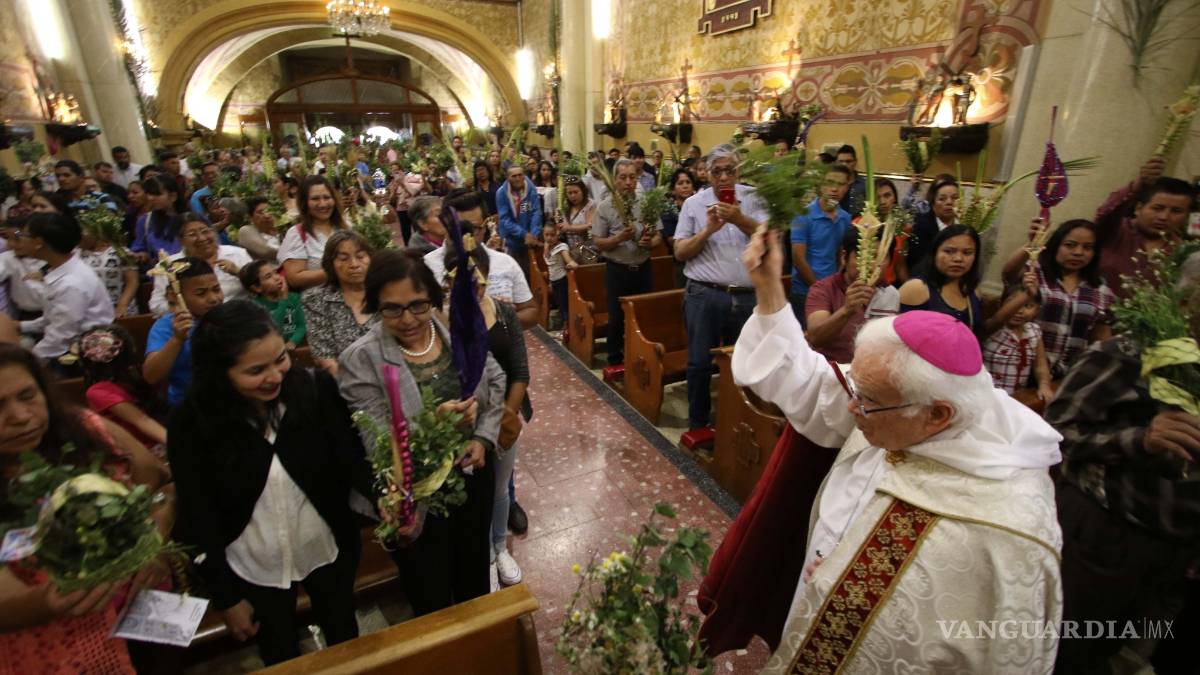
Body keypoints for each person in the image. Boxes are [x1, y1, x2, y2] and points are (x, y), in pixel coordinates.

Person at [725, 225, 1063, 673]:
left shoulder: (1007, 530)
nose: (850, 406)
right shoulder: (896, 401)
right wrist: (769, 286)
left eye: (865, 401)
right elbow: (809, 380)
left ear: (938, 416)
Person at [168, 300, 371, 666]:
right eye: (255, 370)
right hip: (254, 562)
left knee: (344, 639)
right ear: (219, 373)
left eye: (280, 359)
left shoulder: (314, 390)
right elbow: (199, 512)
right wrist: (227, 597)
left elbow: (351, 459)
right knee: (279, 652)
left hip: (324, 547)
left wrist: (388, 499)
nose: (275, 376)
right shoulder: (193, 424)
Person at [1046, 249, 1200, 674]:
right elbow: (1058, 432)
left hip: (1176, 547)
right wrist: (1141, 439)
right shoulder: (1127, 355)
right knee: (1071, 650)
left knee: (1126, 655)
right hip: (1108, 535)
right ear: (1186, 301)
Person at [337, 250, 505, 616]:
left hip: (472, 475)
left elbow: (495, 380)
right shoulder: (361, 358)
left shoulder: (454, 331)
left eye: (418, 305)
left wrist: (482, 438)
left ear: (433, 297)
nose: (408, 318)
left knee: (474, 573)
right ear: (375, 306)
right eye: (392, 308)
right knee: (429, 589)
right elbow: (377, 440)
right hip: (417, 493)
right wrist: (433, 424)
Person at [0, 344, 172, 675]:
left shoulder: (84, 428)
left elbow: (158, 484)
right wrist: (45, 603)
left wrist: (155, 540)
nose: (21, 416)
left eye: (27, 395)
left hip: (141, 609)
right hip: (47, 648)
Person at [444, 243, 530, 588]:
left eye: (477, 279)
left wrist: (503, 419)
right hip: (462, 419)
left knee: (499, 489)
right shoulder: (439, 319)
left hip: (503, 415)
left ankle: (498, 548)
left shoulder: (504, 313)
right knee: (468, 492)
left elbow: (519, 370)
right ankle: (479, 554)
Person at [672, 144, 767, 432]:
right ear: (708, 175)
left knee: (745, 365)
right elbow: (680, 252)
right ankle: (698, 423)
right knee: (700, 363)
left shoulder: (753, 198)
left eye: (730, 170)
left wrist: (740, 220)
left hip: (746, 296)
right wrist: (707, 230)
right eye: (717, 172)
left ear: (738, 172)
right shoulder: (693, 204)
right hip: (705, 294)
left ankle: (736, 422)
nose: (724, 177)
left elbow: (770, 239)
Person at [1002, 218, 1115, 378]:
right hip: (1025, 368)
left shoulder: (1100, 288)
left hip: (1071, 374)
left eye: (1087, 248)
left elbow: (1101, 338)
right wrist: (1032, 243)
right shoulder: (1034, 272)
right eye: (1070, 245)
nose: (1078, 252)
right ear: (1055, 246)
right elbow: (1009, 274)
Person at [428, 190, 539, 329]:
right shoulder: (425, 267)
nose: (464, 236)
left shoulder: (505, 263)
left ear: (484, 227)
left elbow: (531, 313)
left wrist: (497, 317)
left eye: (472, 228)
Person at [17, 212, 113, 367]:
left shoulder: (70, 283)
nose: (19, 238)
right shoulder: (63, 270)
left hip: (83, 357)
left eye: (23, 235)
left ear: (38, 242)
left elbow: (60, 338)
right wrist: (20, 326)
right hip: (70, 345)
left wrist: (26, 365)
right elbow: (54, 318)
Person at [593, 158, 663, 367]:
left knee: (644, 313)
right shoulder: (604, 207)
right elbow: (597, 243)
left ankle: (639, 355)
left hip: (642, 267)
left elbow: (659, 234)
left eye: (632, 177)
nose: (628, 182)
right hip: (617, 269)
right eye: (623, 177)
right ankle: (615, 359)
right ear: (614, 180)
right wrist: (618, 239)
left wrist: (650, 242)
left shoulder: (646, 202)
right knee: (616, 318)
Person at [1094, 156, 1195, 298]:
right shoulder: (1114, 230)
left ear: (1186, 216)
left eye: (1176, 211)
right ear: (1138, 208)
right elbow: (1105, 214)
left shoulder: (1182, 251)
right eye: (1158, 208)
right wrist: (1137, 185)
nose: (1164, 217)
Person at [804, 229, 902, 364]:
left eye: (880, 257)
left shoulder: (891, 294)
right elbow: (815, 339)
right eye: (863, 256)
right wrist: (846, 310)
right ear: (844, 257)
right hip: (832, 373)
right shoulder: (822, 289)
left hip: (872, 373)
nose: (871, 265)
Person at [144, 258, 223, 407]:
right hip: (188, 406)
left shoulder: (230, 316)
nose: (213, 299)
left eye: (216, 289)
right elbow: (151, 376)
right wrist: (177, 339)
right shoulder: (166, 327)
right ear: (175, 296)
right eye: (201, 293)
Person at [80, 324, 167, 451]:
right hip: (138, 451)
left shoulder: (141, 372)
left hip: (158, 439)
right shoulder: (98, 391)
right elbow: (142, 420)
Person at [302, 230, 376, 374]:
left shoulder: (384, 292)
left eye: (360, 256)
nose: (354, 264)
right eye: (343, 259)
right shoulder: (316, 299)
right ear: (331, 264)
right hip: (346, 383)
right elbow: (324, 356)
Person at [149, 215, 251, 316]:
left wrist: (239, 273)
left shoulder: (238, 254)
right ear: (180, 240)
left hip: (239, 316)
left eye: (205, 231)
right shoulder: (168, 265)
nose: (202, 238)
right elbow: (156, 305)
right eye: (192, 234)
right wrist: (184, 306)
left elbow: (260, 286)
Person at [790, 166, 852, 327]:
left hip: (832, 289)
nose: (834, 189)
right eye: (829, 183)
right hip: (804, 291)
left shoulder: (845, 218)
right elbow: (798, 258)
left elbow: (840, 254)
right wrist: (818, 288)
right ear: (820, 185)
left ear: (846, 188)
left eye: (840, 184)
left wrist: (836, 284)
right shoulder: (802, 215)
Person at [899, 224, 985, 336]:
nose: (958, 259)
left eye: (967, 253)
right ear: (935, 252)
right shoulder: (917, 288)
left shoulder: (973, 290)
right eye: (949, 251)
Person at [982, 283, 1054, 403]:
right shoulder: (993, 329)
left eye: (1028, 306)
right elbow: (998, 319)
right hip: (989, 396)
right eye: (1013, 304)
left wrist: (1044, 385)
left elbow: (1040, 365)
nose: (1019, 311)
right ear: (1001, 304)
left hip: (1017, 399)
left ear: (1037, 309)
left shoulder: (1034, 331)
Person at [278, 176, 345, 291]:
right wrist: (339, 270)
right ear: (304, 202)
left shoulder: (345, 228)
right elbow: (294, 278)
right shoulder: (297, 234)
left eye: (327, 197)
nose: (323, 204)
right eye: (315, 199)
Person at [241, 259, 307, 349]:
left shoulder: (294, 297)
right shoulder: (255, 307)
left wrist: (293, 342)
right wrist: (284, 299)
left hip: (297, 346)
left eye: (275, 272)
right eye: (268, 277)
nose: (277, 277)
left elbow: (302, 325)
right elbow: (273, 330)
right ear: (257, 288)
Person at [77, 221, 139, 317]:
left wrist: (122, 305)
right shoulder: (77, 255)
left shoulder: (120, 251)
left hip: (119, 308)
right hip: (91, 311)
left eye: (82, 231)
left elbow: (132, 281)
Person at [496, 165, 543, 279]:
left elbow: (536, 211)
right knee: (514, 275)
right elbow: (505, 219)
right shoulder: (501, 193)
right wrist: (524, 234)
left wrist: (534, 233)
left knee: (531, 274)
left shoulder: (530, 188)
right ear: (508, 178)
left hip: (529, 239)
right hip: (511, 240)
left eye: (520, 175)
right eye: (514, 176)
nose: (517, 178)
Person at [905, 174, 959, 272]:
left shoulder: (963, 225)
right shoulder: (921, 226)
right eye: (942, 199)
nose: (949, 202)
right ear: (933, 201)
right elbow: (917, 264)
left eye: (955, 198)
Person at [131, 175, 185, 262]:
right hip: (161, 271)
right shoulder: (145, 221)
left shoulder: (189, 218)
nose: (150, 198)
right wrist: (140, 255)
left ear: (173, 196)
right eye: (149, 194)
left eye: (157, 194)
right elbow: (140, 248)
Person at [542, 220, 577, 323]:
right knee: (559, 306)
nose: (549, 238)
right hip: (554, 280)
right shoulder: (547, 245)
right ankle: (565, 326)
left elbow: (569, 260)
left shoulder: (561, 248)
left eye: (552, 235)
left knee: (565, 306)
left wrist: (572, 264)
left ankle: (568, 328)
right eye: (546, 235)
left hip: (562, 280)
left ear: (557, 234)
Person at [559, 176, 597, 264]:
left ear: (583, 191)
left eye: (576, 192)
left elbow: (590, 225)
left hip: (588, 249)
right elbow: (562, 227)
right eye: (570, 193)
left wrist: (569, 228)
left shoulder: (591, 205)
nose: (573, 195)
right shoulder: (565, 207)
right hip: (571, 250)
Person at [239, 196, 282, 261]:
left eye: (269, 211)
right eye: (260, 212)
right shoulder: (246, 230)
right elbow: (266, 251)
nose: (267, 215)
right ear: (250, 217)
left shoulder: (281, 230)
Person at [834, 144, 866, 217]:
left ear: (855, 162)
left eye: (848, 161)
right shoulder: (831, 185)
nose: (844, 164)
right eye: (841, 161)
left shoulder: (864, 185)